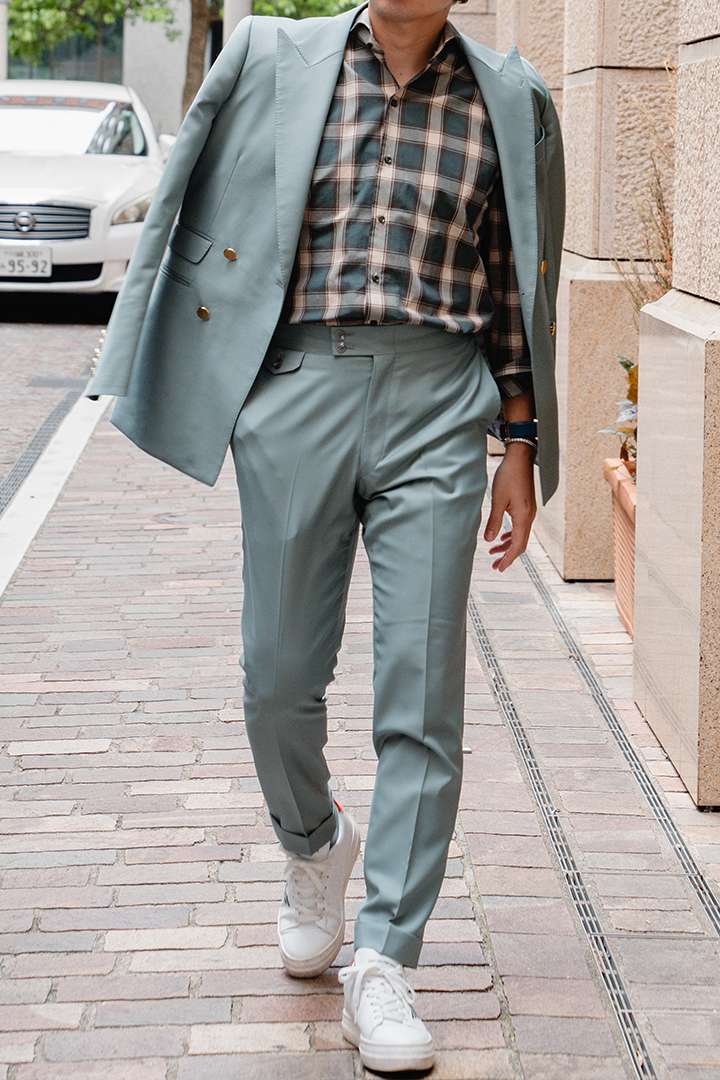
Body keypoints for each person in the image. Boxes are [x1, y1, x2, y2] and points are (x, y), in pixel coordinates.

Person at [87, 0, 564, 1070]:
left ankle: (385, 961)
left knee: (423, 690)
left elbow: (515, 281)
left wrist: (522, 443)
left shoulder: (511, 96)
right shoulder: (271, 56)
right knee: (275, 677)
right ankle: (314, 844)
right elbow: (187, 200)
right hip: (297, 382)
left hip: (440, 399)